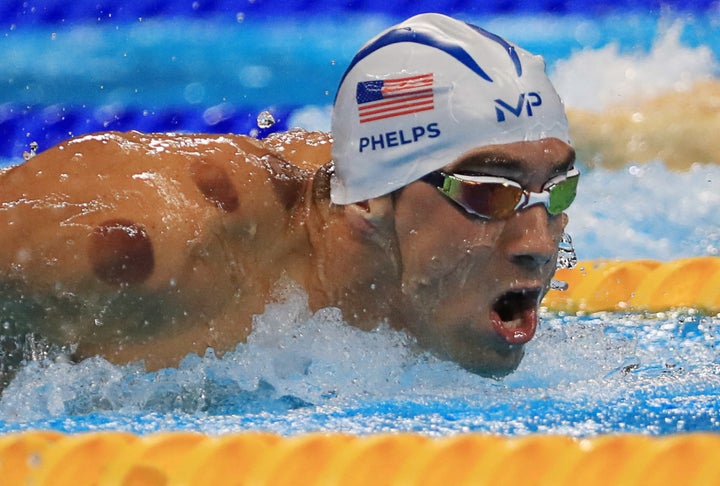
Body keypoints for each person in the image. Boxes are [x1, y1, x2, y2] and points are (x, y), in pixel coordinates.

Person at [0, 13, 578, 380]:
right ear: (367, 203)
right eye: (487, 193)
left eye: (555, 189)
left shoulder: (419, 251)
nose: (537, 244)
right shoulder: (148, 248)